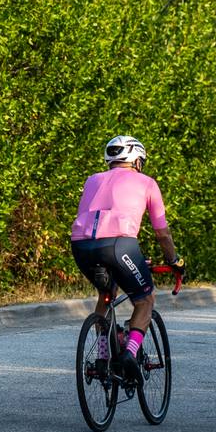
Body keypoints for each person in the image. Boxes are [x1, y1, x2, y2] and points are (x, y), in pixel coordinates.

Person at [70, 135, 181, 380]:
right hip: (120, 246)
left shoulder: (92, 179)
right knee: (145, 300)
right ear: (137, 160)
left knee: (106, 295)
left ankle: (102, 358)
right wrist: (173, 260)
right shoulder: (147, 183)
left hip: (81, 246)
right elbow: (162, 233)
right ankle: (130, 353)